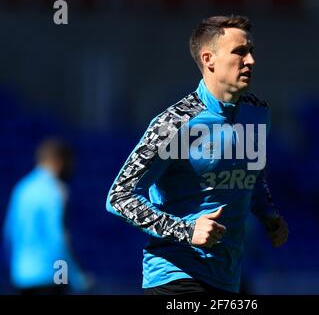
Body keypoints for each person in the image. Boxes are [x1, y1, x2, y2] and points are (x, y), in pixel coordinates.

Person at [106, 15, 289, 295]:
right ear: (209, 59)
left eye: (251, 51)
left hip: (228, 278)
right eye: (240, 52)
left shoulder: (257, 113)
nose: (250, 61)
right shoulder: (175, 123)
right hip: (175, 276)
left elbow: (252, 171)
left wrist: (268, 215)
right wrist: (186, 230)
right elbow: (119, 197)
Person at [3, 138, 89, 295]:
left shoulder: (22, 188)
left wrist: (15, 268)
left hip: (22, 275)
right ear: (59, 161)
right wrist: (74, 279)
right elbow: (59, 238)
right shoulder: (56, 190)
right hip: (51, 275)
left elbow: (9, 233)